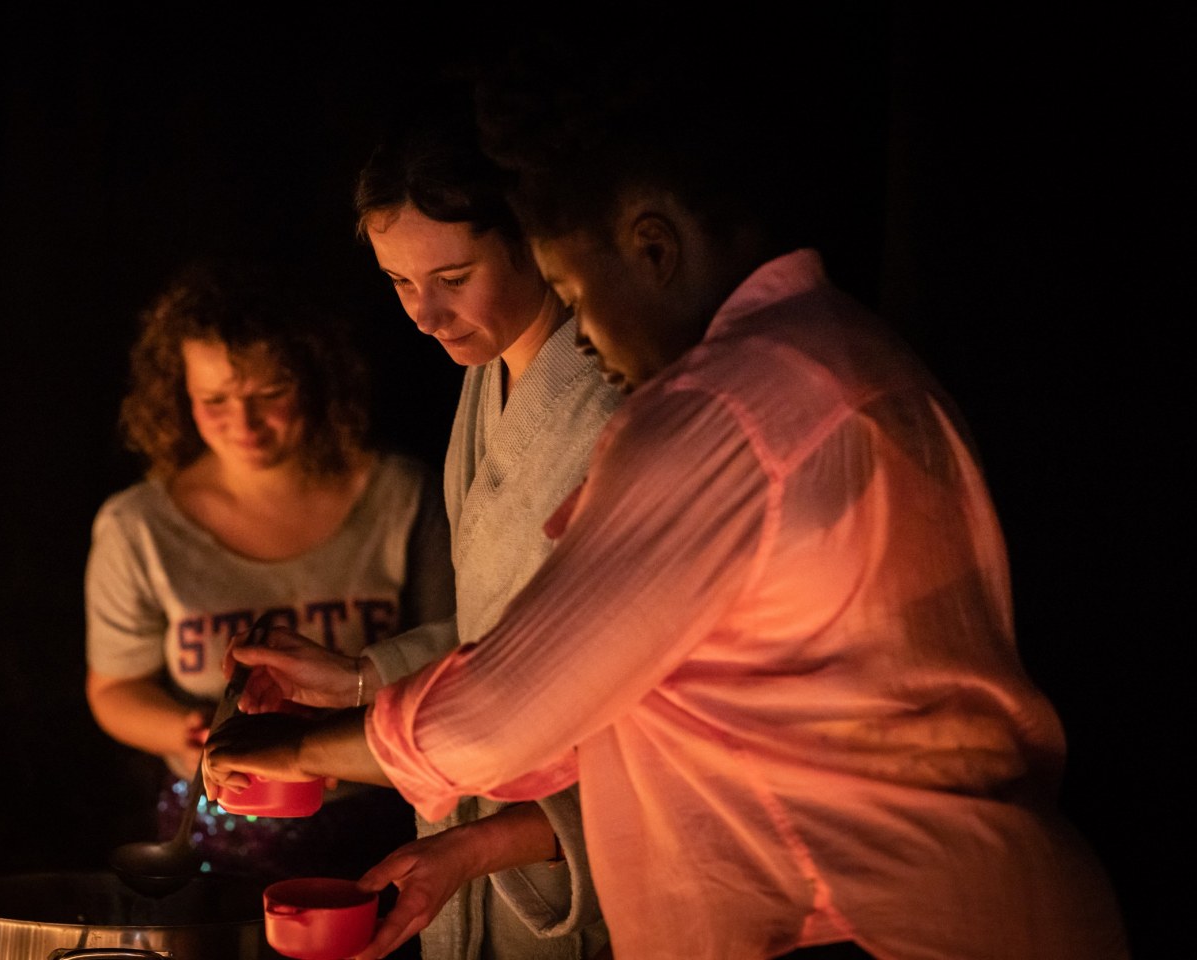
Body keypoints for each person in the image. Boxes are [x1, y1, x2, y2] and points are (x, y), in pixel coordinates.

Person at [202, 25, 1132, 960]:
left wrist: (292, 752)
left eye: (571, 284)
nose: (587, 335)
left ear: (650, 247)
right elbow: (609, 683)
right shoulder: (842, 354)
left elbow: (502, 713)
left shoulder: (729, 404)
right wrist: (376, 702)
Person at [222, 78, 621, 959]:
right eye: (398, 280)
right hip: (472, 834)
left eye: (453, 277)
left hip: (576, 859)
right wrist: (362, 680)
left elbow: (596, 681)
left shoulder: (614, 393)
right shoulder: (486, 382)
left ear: (534, 238)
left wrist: (325, 751)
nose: (424, 314)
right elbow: (494, 634)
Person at [84, 255, 455, 889]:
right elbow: (114, 689)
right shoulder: (138, 526)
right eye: (215, 400)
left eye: (270, 394)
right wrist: (192, 730)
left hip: (379, 810)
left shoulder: (401, 495)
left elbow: (459, 648)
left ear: (314, 380)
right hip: (212, 829)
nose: (245, 424)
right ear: (180, 396)